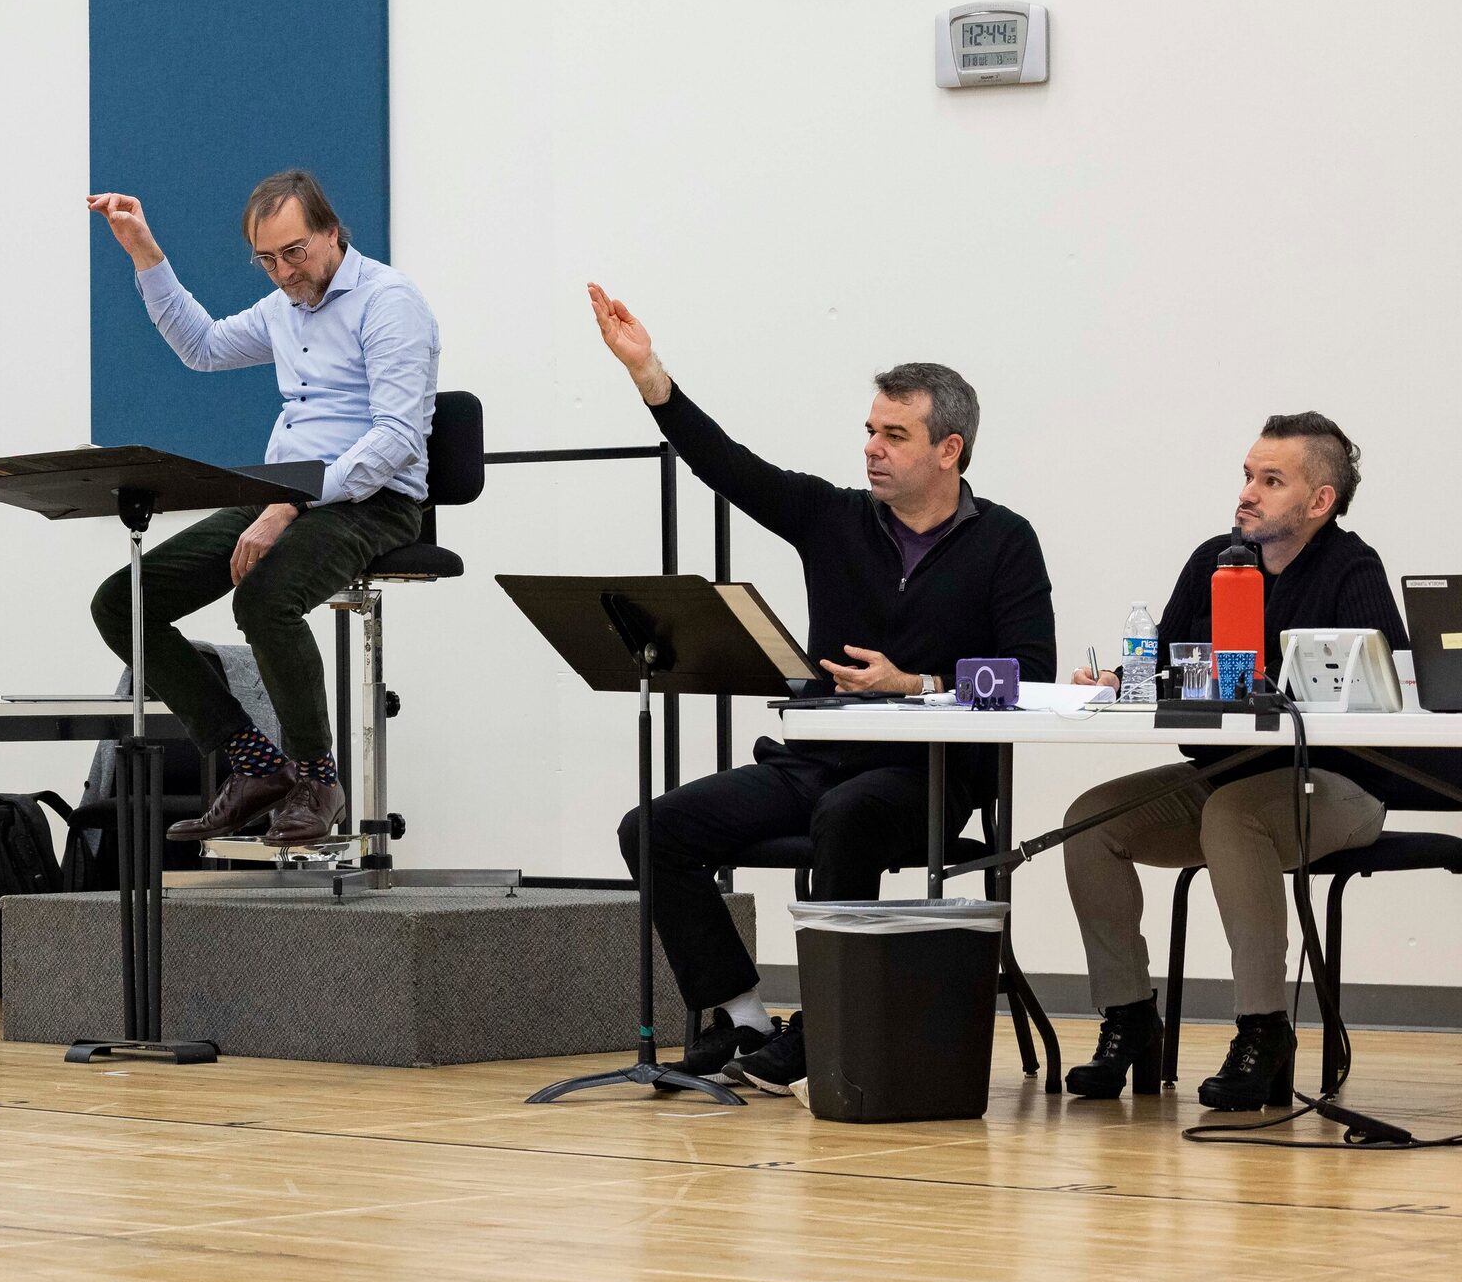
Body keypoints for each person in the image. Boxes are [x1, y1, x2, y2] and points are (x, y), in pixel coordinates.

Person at [587, 283, 1056, 1093]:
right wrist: (648, 374)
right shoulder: (831, 517)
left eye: (895, 435)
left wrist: (918, 684)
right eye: (870, 430)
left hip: (931, 778)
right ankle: (739, 1014)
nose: (872, 447)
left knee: (851, 814)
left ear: (949, 450)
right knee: (654, 828)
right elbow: (725, 464)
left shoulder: (1005, 542)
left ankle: (825, 1022)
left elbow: (1033, 675)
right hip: (817, 760)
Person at [1055, 414, 1411, 1110]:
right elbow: (1156, 666)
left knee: (1233, 815)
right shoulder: (1214, 561)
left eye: (1271, 480)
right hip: (1226, 778)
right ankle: (1128, 1019)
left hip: (1335, 787)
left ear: (1319, 502)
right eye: (1248, 475)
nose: (1247, 492)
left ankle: (1263, 1031)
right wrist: (1116, 682)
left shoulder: (1351, 568)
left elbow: (1391, 689)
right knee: (1090, 821)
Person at [83, 171, 440, 848]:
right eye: (267, 259)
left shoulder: (389, 303)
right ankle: (252, 761)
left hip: (374, 499)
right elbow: (204, 347)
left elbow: (394, 440)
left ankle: (316, 777)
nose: (282, 272)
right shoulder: (284, 308)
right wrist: (145, 254)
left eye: (295, 252)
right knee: (122, 603)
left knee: (264, 599)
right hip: (287, 493)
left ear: (333, 234)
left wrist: (289, 503)